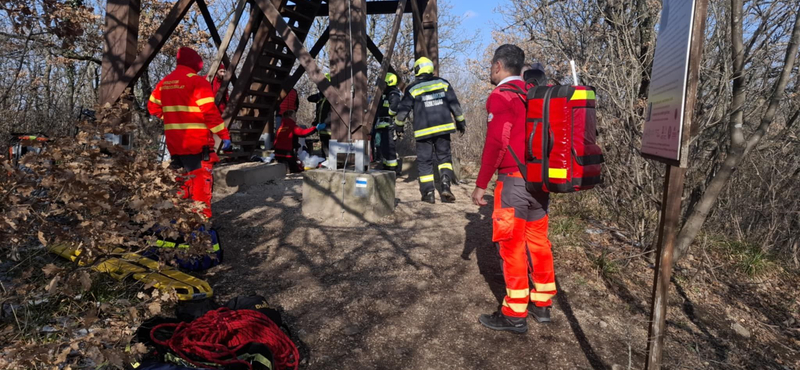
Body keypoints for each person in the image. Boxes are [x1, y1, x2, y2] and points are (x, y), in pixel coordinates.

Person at [471, 44, 556, 333]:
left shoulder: (501, 96)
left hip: (512, 184)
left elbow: (497, 143)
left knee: (512, 246)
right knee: (539, 243)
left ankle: (514, 314)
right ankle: (542, 305)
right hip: (539, 183)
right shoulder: (534, 94)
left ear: (497, 66)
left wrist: (481, 185)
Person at [148, 47, 232, 219]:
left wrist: (172, 117)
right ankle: (201, 229)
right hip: (197, 144)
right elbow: (210, 113)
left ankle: (180, 223)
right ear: (196, 63)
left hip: (175, 145)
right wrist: (224, 135)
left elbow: (152, 107)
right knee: (201, 188)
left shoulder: (165, 82)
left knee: (181, 185)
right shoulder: (197, 82)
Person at [394, 57, 465, 204]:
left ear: (418, 70)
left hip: (423, 131)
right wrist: (460, 121)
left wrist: (398, 125)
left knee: (425, 162)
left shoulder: (413, 88)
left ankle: (428, 193)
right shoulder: (443, 83)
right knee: (444, 158)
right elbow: (455, 105)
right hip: (443, 129)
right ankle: (446, 185)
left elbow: (403, 109)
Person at [373, 72, 403, 176]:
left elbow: (393, 108)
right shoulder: (385, 94)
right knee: (383, 146)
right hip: (383, 125)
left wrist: (389, 114)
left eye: (384, 83)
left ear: (389, 82)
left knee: (390, 147)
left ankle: (393, 168)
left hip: (389, 125)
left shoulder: (393, 94)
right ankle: (386, 165)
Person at [307, 73, 332, 157]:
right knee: (324, 145)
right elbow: (310, 98)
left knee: (329, 146)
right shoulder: (320, 97)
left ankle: (329, 160)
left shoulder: (332, 98)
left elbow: (333, 113)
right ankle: (325, 159)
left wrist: (326, 123)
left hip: (329, 127)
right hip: (321, 127)